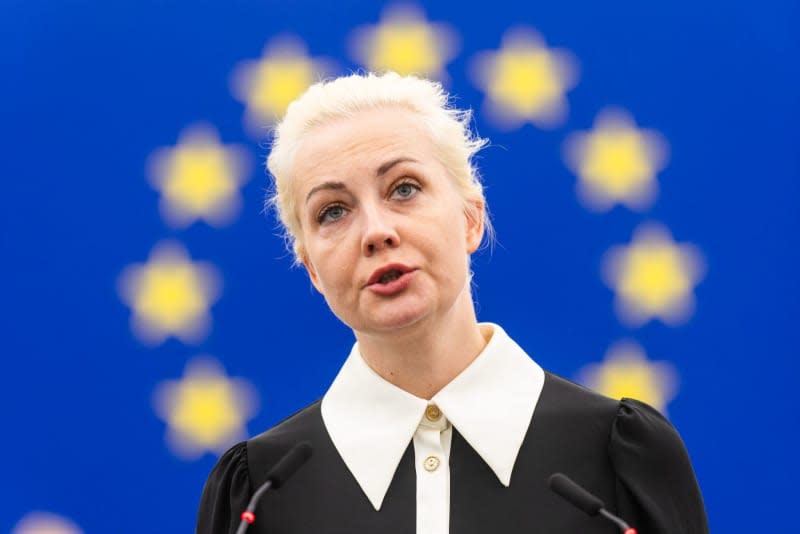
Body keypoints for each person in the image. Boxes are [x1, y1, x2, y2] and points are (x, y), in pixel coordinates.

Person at [196, 72, 708, 534]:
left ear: (470, 218)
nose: (376, 232)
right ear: (311, 268)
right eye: (333, 212)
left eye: (403, 188)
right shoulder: (259, 493)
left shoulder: (620, 457)